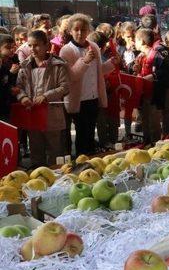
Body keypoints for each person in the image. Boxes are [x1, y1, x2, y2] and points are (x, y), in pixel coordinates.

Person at [60, 14, 115, 156]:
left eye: (84, 30)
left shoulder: (94, 46)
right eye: (76, 29)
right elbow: (71, 77)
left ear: (89, 31)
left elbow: (98, 70)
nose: (80, 33)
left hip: (93, 97)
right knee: (82, 135)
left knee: (90, 133)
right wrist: (84, 61)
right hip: (78, 100)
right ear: (70, 31)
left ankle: (91, 162)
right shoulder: (66, 50)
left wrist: (112, 64)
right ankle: (81, 162)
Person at [15, 30, 69, 167]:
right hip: (33, 114)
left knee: (55, 150)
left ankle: (56, 177)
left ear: (47, 45)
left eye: (37, 45)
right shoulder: (25, 66)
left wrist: (46, 95)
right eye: (30, 45)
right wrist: (23, 98)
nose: (33, 49)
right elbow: (18, 87)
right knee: (35, 148)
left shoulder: (58, 65)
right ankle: (38, 177)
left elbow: (65, 87)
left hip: (52, 114)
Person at [88, 31, 119, 149]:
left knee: (108, 120)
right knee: (102, 120)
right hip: (100, 94)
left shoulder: (103, 56)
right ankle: (106, 143)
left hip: (108, 94)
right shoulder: (93, 58)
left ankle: (108, 142)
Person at [134, 28, 162, 144]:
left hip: (154, 95)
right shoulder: (141, 56)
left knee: (154, 122)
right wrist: (136, 70)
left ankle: (156, 145)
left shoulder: (156, 55)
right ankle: (146, 144)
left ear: (142, 42)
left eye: (136, 40)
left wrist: (152, 76)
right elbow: (138, 72)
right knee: (145, 120)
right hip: (143, 94)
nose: (134, 43)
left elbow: (162, 72)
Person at [0, 34, 19, 122]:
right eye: (8, 47)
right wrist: (10, 73)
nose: (12, 50)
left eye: (13, 47)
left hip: (13, 102)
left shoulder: (14, 59)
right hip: (3, 105)